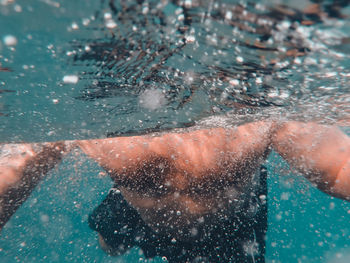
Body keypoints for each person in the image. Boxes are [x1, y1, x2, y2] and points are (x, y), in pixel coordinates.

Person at [0, 120, 349, 262]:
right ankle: (117, 225)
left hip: (231, 228)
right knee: (111, 245)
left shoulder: (259, 115)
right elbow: (11, 174)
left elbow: (338, 169)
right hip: (140, 212)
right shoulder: (77, 110)